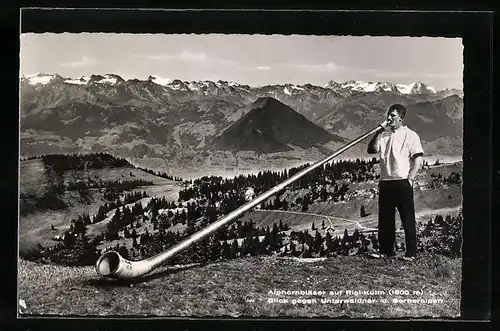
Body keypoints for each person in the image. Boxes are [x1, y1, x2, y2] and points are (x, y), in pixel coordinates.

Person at [367, 104, 424, 261]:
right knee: (385, 219)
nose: (389, 118)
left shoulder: (410, 135)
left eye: (392, 115)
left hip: (402, 182)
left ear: (401, 117)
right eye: (388, 115)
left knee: (407, 219)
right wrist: (378, 132)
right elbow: (371, 149)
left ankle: (411, 253)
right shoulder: (384, 136)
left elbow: (417, 158)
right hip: (386, 182)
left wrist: (411, 177)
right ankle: (386, 251)